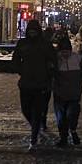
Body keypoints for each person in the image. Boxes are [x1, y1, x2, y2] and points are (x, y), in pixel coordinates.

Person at [12, 20, 56, 151]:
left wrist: (49, 74)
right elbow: (15, 59)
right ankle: (35, 127)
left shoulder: (45, 45)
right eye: (30, 30)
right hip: (26, 83)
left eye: (34, 30)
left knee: (37, 111)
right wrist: (21, 70)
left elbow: (53, 60)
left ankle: (34, 136)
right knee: (25, 109)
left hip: (41, 84)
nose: (32, 33)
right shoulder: (22, 43)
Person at [53, 36, 82, 147]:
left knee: (72, 114)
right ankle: (63, 137)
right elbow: (49, 74)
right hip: (60, 93)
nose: (65, 53)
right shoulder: (55, 60)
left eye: (67, 50)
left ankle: (73, 131)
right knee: (61, 118)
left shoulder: (77, 59)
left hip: (74, 93)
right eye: (62, 51)